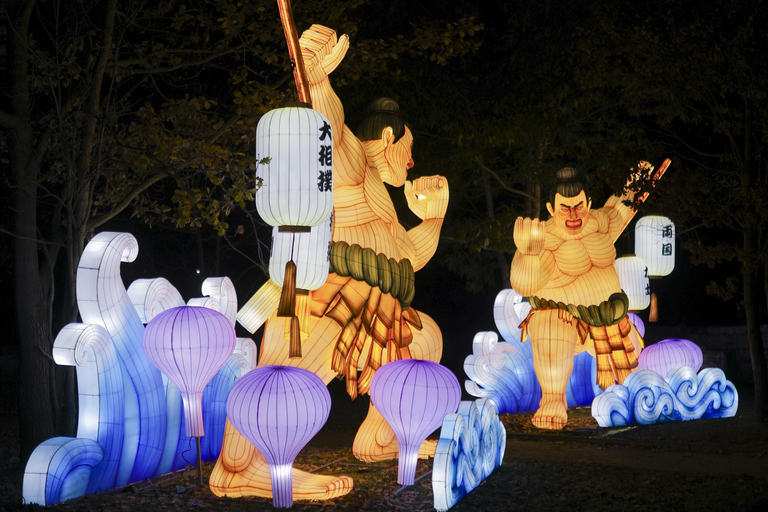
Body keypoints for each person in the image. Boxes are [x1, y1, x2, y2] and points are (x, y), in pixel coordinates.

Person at [210, 24, 449, 500]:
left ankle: (380, 439)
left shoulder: (382, 200)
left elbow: (406, 258)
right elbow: (330, 128)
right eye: (409, 149)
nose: (411, 161)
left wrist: (435, 220)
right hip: (322, 293)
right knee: (284, 379)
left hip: (379, 309)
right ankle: (238, 468)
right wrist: (318, 80)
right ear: (389, 137)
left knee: (424, 342)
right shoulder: (356, 161)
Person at [509, 162, 668, 429]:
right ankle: (552, 399)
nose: (573, 214)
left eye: (578, 205)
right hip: (562, 325)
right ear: (551, 209)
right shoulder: (543, 239)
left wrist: (639, 182)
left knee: (632, 363)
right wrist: (527, 253)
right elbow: (524, 284)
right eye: (565, 208)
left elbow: (623, 206)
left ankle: (637, 399)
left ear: (589, 202)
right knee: (549, 325)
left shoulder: (601, 223)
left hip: (607, 318)